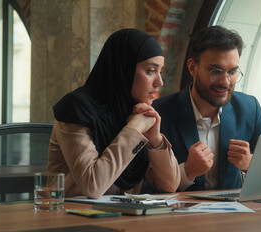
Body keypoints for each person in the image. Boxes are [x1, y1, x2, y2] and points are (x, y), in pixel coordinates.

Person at [47, 29, 180, 198]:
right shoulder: (76, 108)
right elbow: (92, 185)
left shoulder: (136, 111)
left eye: (160, 71)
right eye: (151, 70)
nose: (159, 82)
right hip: (68, 218)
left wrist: (156, 140)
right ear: (125, 68)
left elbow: (169, 185)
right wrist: (134, 130)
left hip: (122, 218)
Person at [151, 26, 261, 191]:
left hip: (236, 214)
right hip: (181, 215)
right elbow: (143, 187)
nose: (225, 82)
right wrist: (186, 171)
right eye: (216, 71)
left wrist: (251, 164)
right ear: (193, 68)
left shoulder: (249, 108)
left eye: (232, 72)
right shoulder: (158, 114)